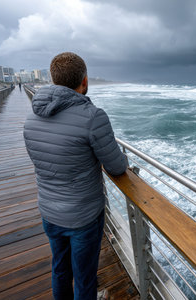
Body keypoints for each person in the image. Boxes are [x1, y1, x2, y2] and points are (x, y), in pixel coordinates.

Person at [23, 52, 128, 299]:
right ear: (84, 81)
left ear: (53, 79)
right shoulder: (92, 117)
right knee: (84, 276)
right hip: (83, 216)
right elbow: (116, 166)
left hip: (49, 210)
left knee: (60, 268)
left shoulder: (31, 118)